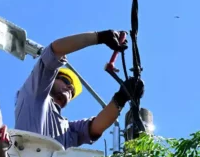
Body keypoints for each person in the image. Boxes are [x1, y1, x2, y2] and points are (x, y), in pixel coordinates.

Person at [14, 30, 144, 149]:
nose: (70, 88)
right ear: (51, 79)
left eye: (72, 92)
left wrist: (121, 97)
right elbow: (55, 51)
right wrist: (99, 37)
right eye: (66, 81)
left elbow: (96, 127)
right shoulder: (35, 92)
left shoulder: (66, 130)